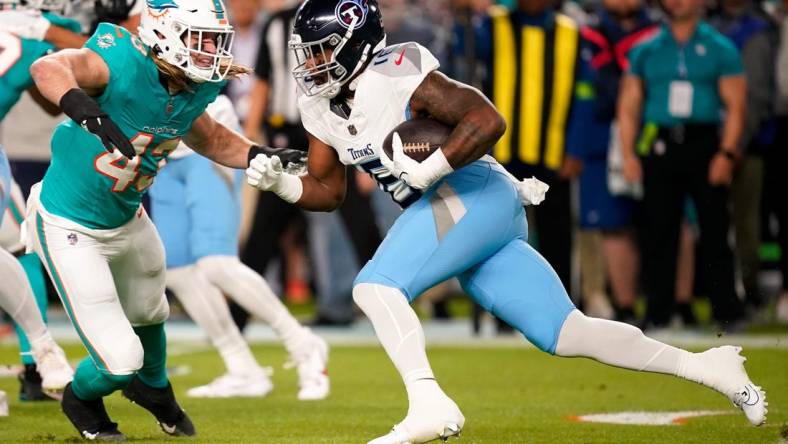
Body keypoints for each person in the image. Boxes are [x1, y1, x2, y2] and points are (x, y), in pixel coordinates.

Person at [245, 1, 766, 442]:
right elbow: (328, 191)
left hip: (475, 192)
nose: (311, 63)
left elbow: (487, 119)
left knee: (375, 287)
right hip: (457, 210)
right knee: (565, 332)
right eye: (306, 52)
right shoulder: (321, 108)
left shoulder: (397, 72)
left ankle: (429, 403)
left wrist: (432, 165)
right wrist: (281, 185)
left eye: (321, 49)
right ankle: (708, 367)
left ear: (357, 41)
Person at [28, 0, 294, 438]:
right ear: (165, 33)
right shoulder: (119, 60)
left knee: (153, 311)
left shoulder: (192, 84)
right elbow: (49, 68)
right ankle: (82, 397)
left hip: (128, 218)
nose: (211, 50)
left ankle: (154, 389)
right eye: (201, 39)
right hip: (70, 225)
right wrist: (82, 105)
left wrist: (257, 153)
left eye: (216, 40)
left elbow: (208, 135)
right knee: (120, 359)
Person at [149, 94, 329, 400]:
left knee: (216, 264)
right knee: (176, 270)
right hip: (160, 146)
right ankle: (242, 368)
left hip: (206, 137)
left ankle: (302, 343)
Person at [618, 0, 746, 328]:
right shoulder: (646, 48)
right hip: (659, 143)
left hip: (704, 143)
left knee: (715, 229)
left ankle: (727, 310)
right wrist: (629, 154)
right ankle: (658, 311)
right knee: (658, 230)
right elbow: (629, 105)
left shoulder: (720, 48)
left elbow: (736, 106)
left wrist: (727, 153)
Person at [0, 0, 92, 401]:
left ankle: (37, 361)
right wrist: (49, 32)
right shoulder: (38, 26)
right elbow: (106, 61)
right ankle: (39, 358)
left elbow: (43, 93)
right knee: (19, 246)